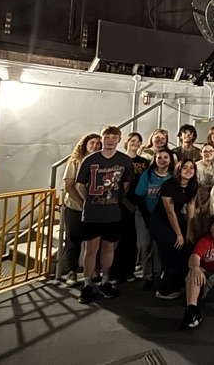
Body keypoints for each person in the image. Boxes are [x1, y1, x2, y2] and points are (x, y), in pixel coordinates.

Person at [75, 125, 133, 304]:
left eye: (114, 137)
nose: (110, 140)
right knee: (90, 248)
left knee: (109, 248)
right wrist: (90, 201)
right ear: (102, 138)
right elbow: (81, 184)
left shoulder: (125, 161)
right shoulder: (90, 159)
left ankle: (105, 281)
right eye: (107, 137)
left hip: (113, 213)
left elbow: (125, 185)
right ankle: (87, 284)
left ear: (119, 139)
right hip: (92, 213)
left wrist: (113, 200)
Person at [150, 158, 198, 299]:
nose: (188, 171)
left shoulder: (193, 186)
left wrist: (188, 231)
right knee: (174, 246)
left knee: (188, 246)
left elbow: (190, 210)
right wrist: (179, 234)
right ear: (179, 170)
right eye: (185, 168)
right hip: (160, 220)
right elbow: (169, 212)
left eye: (191, 168)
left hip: (177, 217)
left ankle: (180, 284)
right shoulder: (168, 185)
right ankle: (165, 289)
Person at [60, 132, 101, 286]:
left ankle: (93, 269)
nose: (95, 146)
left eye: (98, 143)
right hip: (75, 207)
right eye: (92, 143)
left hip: (96, 209)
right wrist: (84, 204)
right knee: (73, 239)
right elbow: (69, 186)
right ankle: (72, 271)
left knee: (94, 241)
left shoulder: (101, 161)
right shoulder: (75, 162)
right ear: (85, 144)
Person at [134, 148, 174, 291]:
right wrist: (147, 218)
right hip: (144, 214)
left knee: (158, 246)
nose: (162, 160)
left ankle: (157, 274)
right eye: (159, 157)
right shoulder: (148, 175)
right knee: (145, 245)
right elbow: (139, 197)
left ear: (170, 160)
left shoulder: (172, 177)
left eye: (165, 157)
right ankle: (146, 275)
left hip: (162, 218)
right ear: (155, 160)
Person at [111, 132, 148, 284]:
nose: (135, 143)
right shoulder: (119, 160)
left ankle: (129, 271)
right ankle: (115, 273)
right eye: (132, 140)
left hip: (139, 204)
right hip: (123, 204)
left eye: (138, 141)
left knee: (133, 239)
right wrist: (126, 203)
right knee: (121, 239)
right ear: (127, 142)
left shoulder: (144, 162)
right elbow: (117, 185)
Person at [195, 144, 214, 212]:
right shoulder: (196, 166)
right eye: (205, 151)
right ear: (201, 153)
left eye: (210, 151)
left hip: (211, 200)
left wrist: (208, 203)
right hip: (197, 200)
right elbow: (195, 187)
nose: (208, 153)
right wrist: (200, 204)